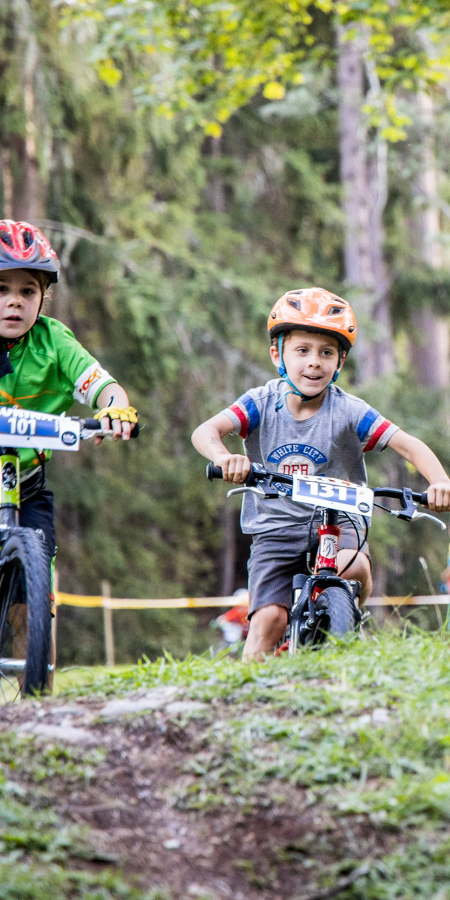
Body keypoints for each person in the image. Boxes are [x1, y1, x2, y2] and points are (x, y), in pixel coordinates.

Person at [192, 287, 450, 661]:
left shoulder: (349, 411)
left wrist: (439, 481)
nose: (314, 362)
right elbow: (205, 431)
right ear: (277, 355)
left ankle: (347, 613)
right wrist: (225, 457)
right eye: (303, 350)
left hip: (337, 521)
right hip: (274, 529)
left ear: (340, 362)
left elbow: (408, 444)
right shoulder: (260, 403)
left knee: (355, 564)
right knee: (268, 621)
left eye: (326, 352)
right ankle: (248, 691)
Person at [0, 219, 138, 678]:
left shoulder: (54, 341)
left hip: (28, 488)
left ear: (44, 297)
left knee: (36, 602)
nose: (14, 300)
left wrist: (116, 410)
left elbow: (102, 387)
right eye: (1, 289)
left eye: (27, 290)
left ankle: (40, 708)